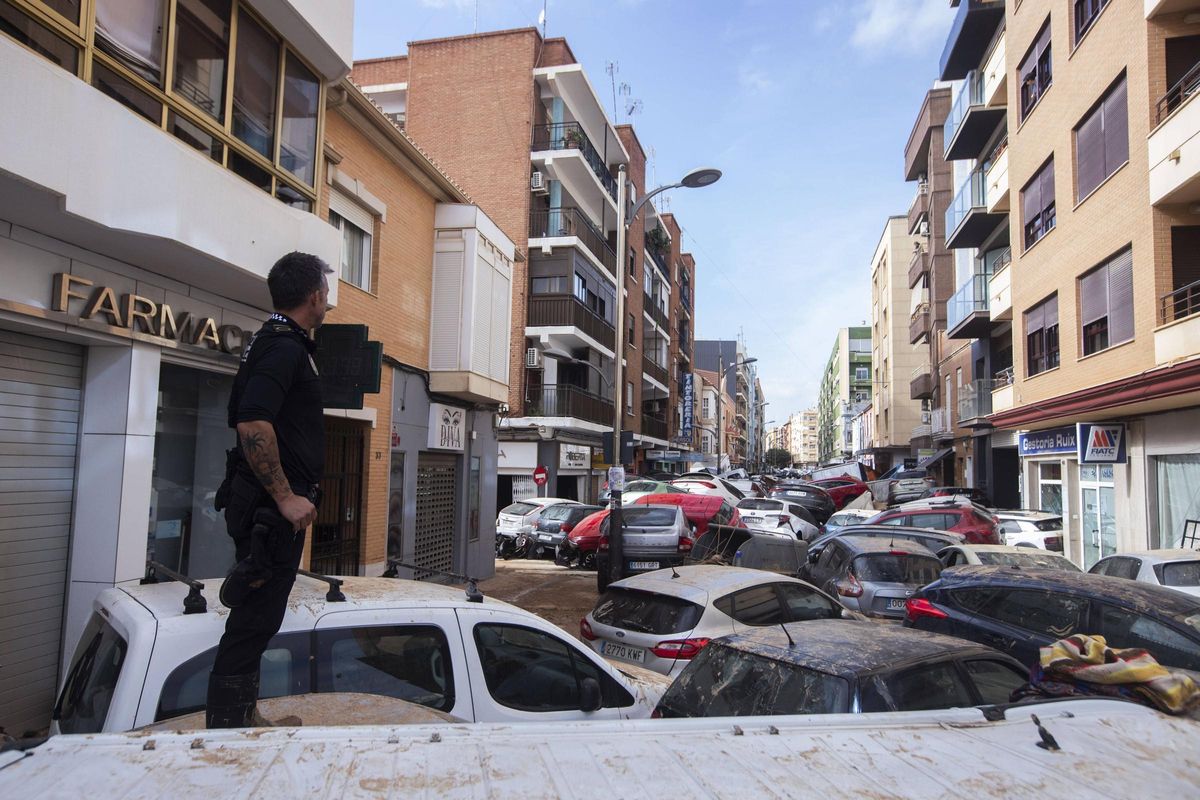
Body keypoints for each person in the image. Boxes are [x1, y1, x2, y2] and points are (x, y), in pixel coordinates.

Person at [206, 251, 332, 729]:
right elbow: (253, 420)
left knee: (258, 617)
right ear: (315, 296)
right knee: (255, 619)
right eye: (326, 291)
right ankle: (232, 726)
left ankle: (240, 717)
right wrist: (284, 496)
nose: (328, 300)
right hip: (268, 511)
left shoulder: (278, 340)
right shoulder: (284, 347)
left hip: (261, 508)